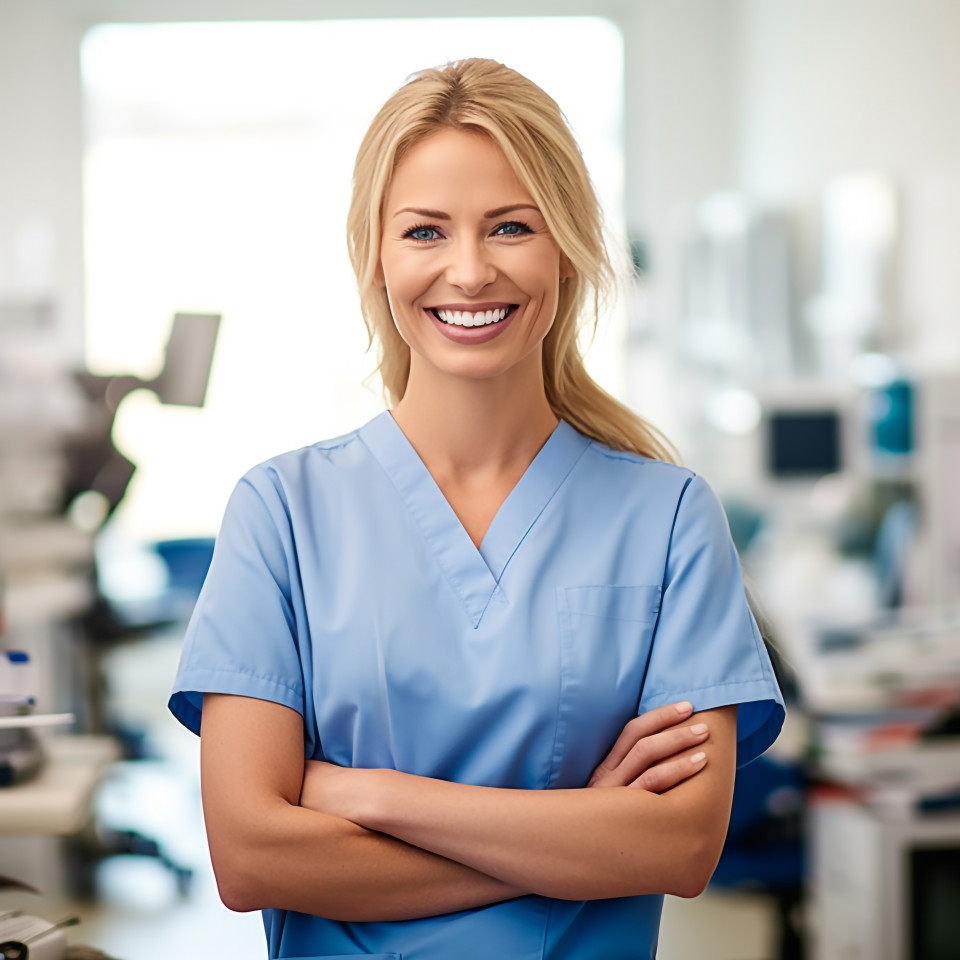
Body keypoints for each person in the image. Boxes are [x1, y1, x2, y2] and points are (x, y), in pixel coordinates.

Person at [169, 58, 784, 959]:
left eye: (510, 227)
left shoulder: (668, 518)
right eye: (425, 231)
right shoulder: (283, 513)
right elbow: (251, 856)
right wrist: (582, 837)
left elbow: (682, 846)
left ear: (566, 248)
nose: (468, 270)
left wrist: (368, 795)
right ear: (375, 256)